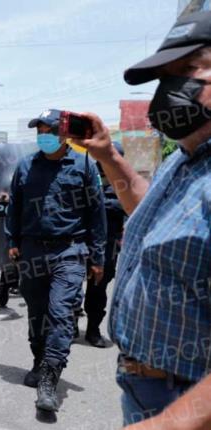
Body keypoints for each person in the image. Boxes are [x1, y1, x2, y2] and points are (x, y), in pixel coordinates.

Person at [76, 11, 211, 429]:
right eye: (164, 79)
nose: (170, 91)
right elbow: (155, 214)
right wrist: (108, 156)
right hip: (148, 386)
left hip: (189, 402)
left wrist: (168, 424)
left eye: (189, 71)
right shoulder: (186, 160)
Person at [5, 108, 107, 412]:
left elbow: (97, 212)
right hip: (33, 251)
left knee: (62, 315)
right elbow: (14, 205)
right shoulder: (25, 166)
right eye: (39, 131)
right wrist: (12, 241)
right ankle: (39, 359)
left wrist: (97, 256)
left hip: (70, 251)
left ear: (63, 133)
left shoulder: (85, 165)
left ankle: (50, 378)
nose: (43, 136)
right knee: (37, 314)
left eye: (49, 130)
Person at [75, 141, 127, 348]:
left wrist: (99, 203)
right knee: (72, 285)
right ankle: (70, 326)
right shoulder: (87, 175)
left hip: (108, 244)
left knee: (98, 288)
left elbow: (125, 207)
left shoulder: (122, 181)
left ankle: (93, 330)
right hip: (82, 240)